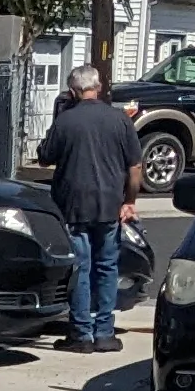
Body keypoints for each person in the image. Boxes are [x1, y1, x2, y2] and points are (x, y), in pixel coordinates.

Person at [34, 63, 139, 351]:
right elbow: (135, 166)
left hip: (73, 206)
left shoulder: (65, 121)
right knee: (107, 267)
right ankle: (104, 331)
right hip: (109, 205)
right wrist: (130, 201)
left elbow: (44, 158)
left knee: (80, 267)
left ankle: (80, 334)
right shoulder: (120, 120)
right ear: (100, 87)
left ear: (72, 90)